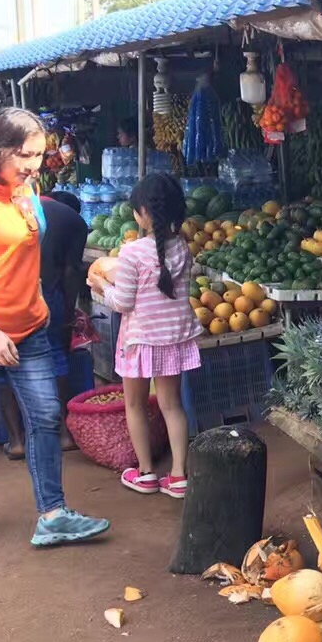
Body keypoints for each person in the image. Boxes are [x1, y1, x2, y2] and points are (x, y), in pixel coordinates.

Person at [0, 107, 109, 546]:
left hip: (29, 326)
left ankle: (52, 514)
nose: (34, 164)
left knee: (46, 416)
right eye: (25, 155)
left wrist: (38, 300)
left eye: (38, 154)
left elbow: (26, 253)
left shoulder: (26, 189)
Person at [89, 172, 200, 498]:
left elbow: (123, 303)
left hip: (138, 342)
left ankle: (147, 473)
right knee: (172, 405)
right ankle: (179, 476)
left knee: (135, 405)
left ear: (144, 214)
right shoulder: (182, 248)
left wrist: (101, 285)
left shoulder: (132, 253)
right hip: (173, 338)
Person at [0, 190, 88, 458]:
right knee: (56, 357)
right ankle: (63, 434)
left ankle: (16, 441)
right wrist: (69, 311)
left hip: (7, 296)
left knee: (5, 362)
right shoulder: (73, 220)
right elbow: (72, 271)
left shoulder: (7, 211)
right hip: (48, 296)